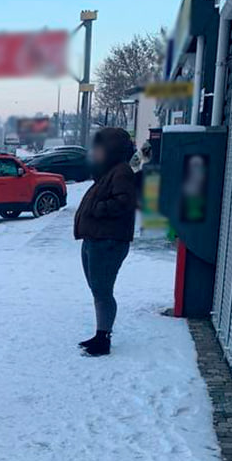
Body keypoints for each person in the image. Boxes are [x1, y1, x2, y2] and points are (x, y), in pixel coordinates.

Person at [73, 127, 138, 357]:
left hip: (108, 241)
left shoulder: (121, 172)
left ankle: (104, 338)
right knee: (98, 289)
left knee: (102, 290)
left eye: (100, 148)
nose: (96, 152)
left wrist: (98, 209)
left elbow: (124, 202)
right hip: (95, 239)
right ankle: (100, 334)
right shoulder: (109, 172)